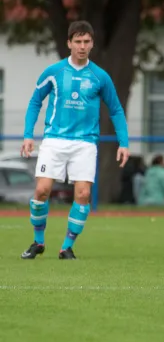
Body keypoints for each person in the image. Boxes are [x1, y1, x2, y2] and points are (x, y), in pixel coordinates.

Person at [20, 20, 129, 260]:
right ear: (69, 43)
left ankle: (66, 246)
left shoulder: (100, 76)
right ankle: (38, 242)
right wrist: (28, 134)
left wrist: (124, 142)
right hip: (54, 140)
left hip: (85, 143)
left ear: (92, 44)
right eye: (77, 41)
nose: (82, 46)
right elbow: (35, 101)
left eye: (86, 41)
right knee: (41, 190)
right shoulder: (54, 72)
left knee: (82, 195)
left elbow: (116, 110)